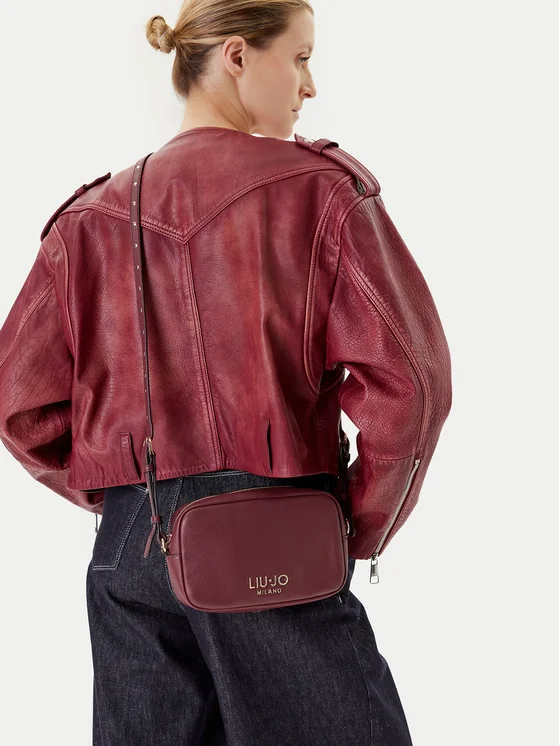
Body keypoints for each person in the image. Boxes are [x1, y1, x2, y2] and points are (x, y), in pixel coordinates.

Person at [0, 1, 452, 743]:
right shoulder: (320, 193)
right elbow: (415, 385)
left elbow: (19, 407)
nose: (310, 86)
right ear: (237, 56)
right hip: (271, 533)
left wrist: (124, 492)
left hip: (131, 547)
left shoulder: (87, 220)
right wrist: (358, 523)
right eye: (299, 58)